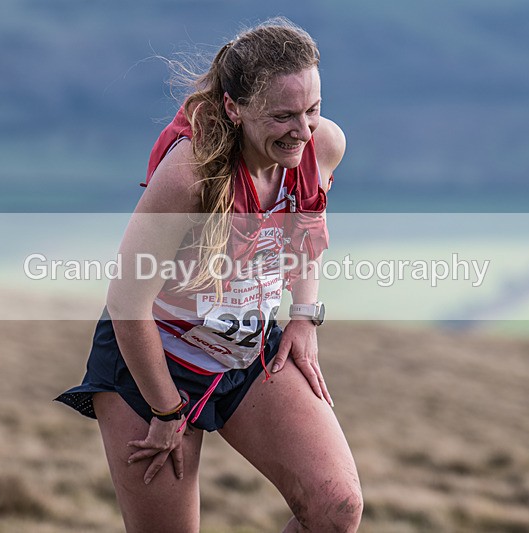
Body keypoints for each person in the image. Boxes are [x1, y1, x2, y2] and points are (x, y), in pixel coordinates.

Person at [56, 17, 362, 532]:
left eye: (312, 109)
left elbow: (308, 221)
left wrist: (304, 316)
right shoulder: (189, 176)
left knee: (337, 509)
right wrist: (166, 411)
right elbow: (127, 303)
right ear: (233, 108)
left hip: (246, 353)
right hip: (153, 362)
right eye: (283, 116)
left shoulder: (323, 144)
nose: (303, 130)